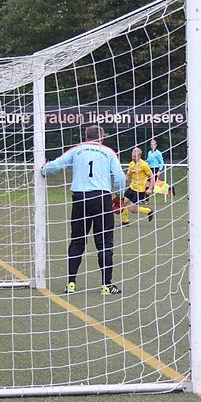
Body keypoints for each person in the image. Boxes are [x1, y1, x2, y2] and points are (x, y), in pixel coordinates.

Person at [41, 125, 126, 295]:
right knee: (104, 242)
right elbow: (120, 177)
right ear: (102, 138)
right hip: (101, 198)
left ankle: (71, 283)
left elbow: (55, 165)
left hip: (80, 198)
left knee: (77, 240)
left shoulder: (77, 149)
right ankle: (106, 285)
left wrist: (45, 169)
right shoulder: (108, 152)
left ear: (86, 137)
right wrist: (120, 196)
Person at [121, 147, 155, 225]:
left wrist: (150, 188)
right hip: (132, 188)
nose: (133, 157)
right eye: (132, 156)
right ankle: (125, 221)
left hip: (140, 190)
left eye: (134, 156)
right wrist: (121, 183)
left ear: (139, 156)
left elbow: (152, 176)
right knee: (122, 204)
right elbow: (128, 175)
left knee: (133, 210)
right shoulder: (132, 163)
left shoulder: (144, 165)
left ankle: (149, 211)